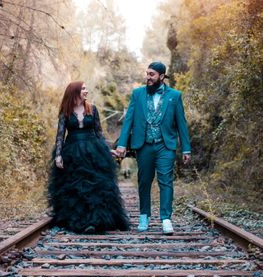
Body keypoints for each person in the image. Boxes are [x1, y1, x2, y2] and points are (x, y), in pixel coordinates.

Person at [116, 62, 191, 234]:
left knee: (166, 181)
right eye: (147, 74)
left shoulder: (175, 96)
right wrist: (121, 143)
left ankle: (166, 219)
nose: (148, 77)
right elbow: (129, 120)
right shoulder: (137, 94)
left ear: (162, 76)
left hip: (165, 145)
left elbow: (181, 124)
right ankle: (144, 216)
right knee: (144, 181)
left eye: (152, 74)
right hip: (144, 145)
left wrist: (186, 148)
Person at [48, 81, 129, 234]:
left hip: (93, 151)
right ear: (75, 92)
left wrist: (107, 150)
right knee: (76, 188)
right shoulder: (65, 111)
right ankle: (81, 221)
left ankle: (95, 221)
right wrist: (58, 155)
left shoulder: (92, 109)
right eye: (83, 89)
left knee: (96, 186)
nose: (86, 91)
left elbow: (99, 133)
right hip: (72, 152)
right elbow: (60, 136)